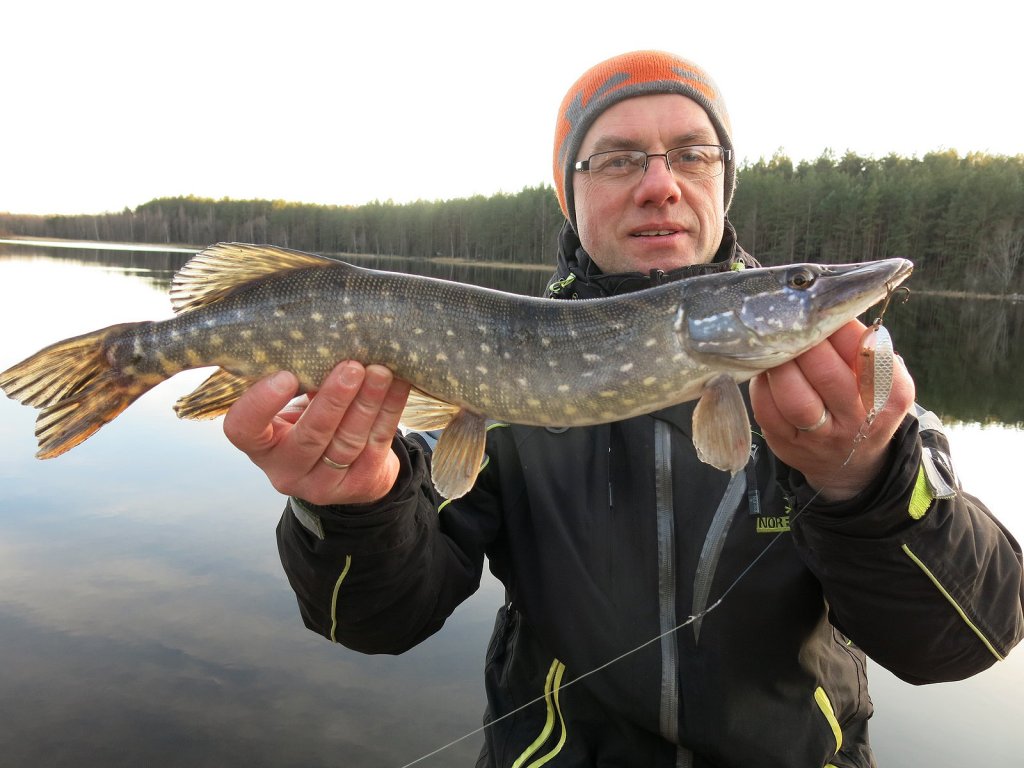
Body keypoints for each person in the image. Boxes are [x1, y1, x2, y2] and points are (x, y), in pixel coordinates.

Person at [223, 51, 1024, 767]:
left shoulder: (845, 392)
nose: (659, 182)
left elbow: (968, 640)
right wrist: (357, 507)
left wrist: (873, 483)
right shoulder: (503, 385)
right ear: (569, 197)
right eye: (615, 159)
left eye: (692, 153)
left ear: (721, 181)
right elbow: (377, 620)